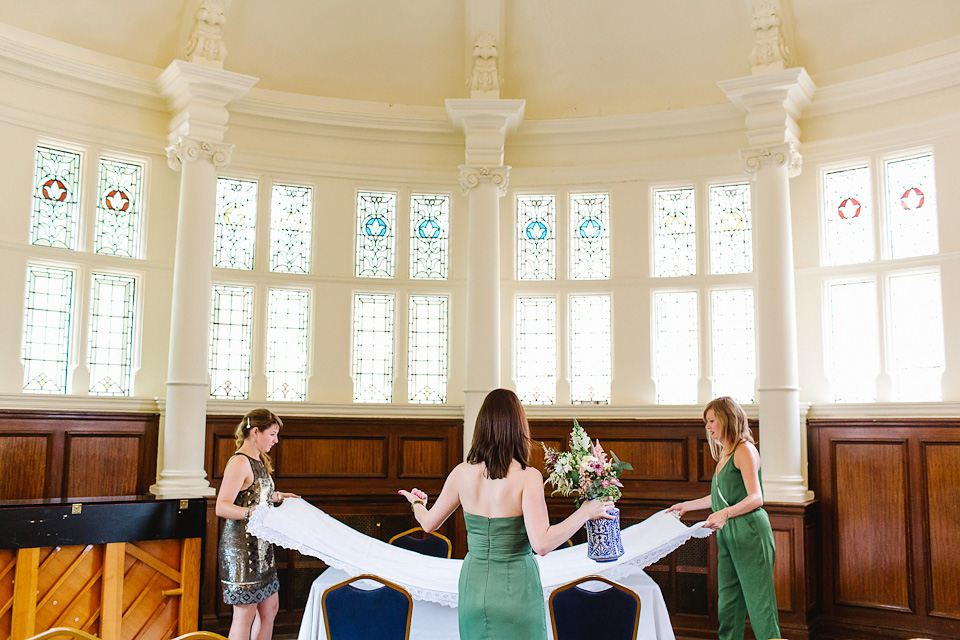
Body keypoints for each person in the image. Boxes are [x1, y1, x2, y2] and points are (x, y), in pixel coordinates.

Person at [399, 388, 614, 640]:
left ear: (482, 426)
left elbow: (428, 524)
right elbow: (542, 544)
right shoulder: (527, 477)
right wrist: (585, 512)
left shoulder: (461, 474)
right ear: (518, 426)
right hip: (517, 591)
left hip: (474, 588)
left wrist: (417, 504)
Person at [667, 396, 780, 640]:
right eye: (705, 422)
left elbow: (756, 498)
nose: (707, 427)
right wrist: (687, 506)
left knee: (760, 605)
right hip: (729, 533)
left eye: (711, 420)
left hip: (749, 531)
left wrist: (726, 513)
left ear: (726, 418)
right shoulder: (725, 454)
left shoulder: (744, 450)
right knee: (728, 605)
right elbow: (718, 499)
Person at [216, 409, 298, 640]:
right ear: (255, 432)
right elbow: (222, 507)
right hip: (242, 551)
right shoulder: (239, 462)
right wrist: (250, 512)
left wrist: (281, 496)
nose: (276, 440)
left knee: (269, 609)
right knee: (244, 615)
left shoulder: (258, 459)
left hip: (262, 547)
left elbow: (257, 494)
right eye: (272, 434)